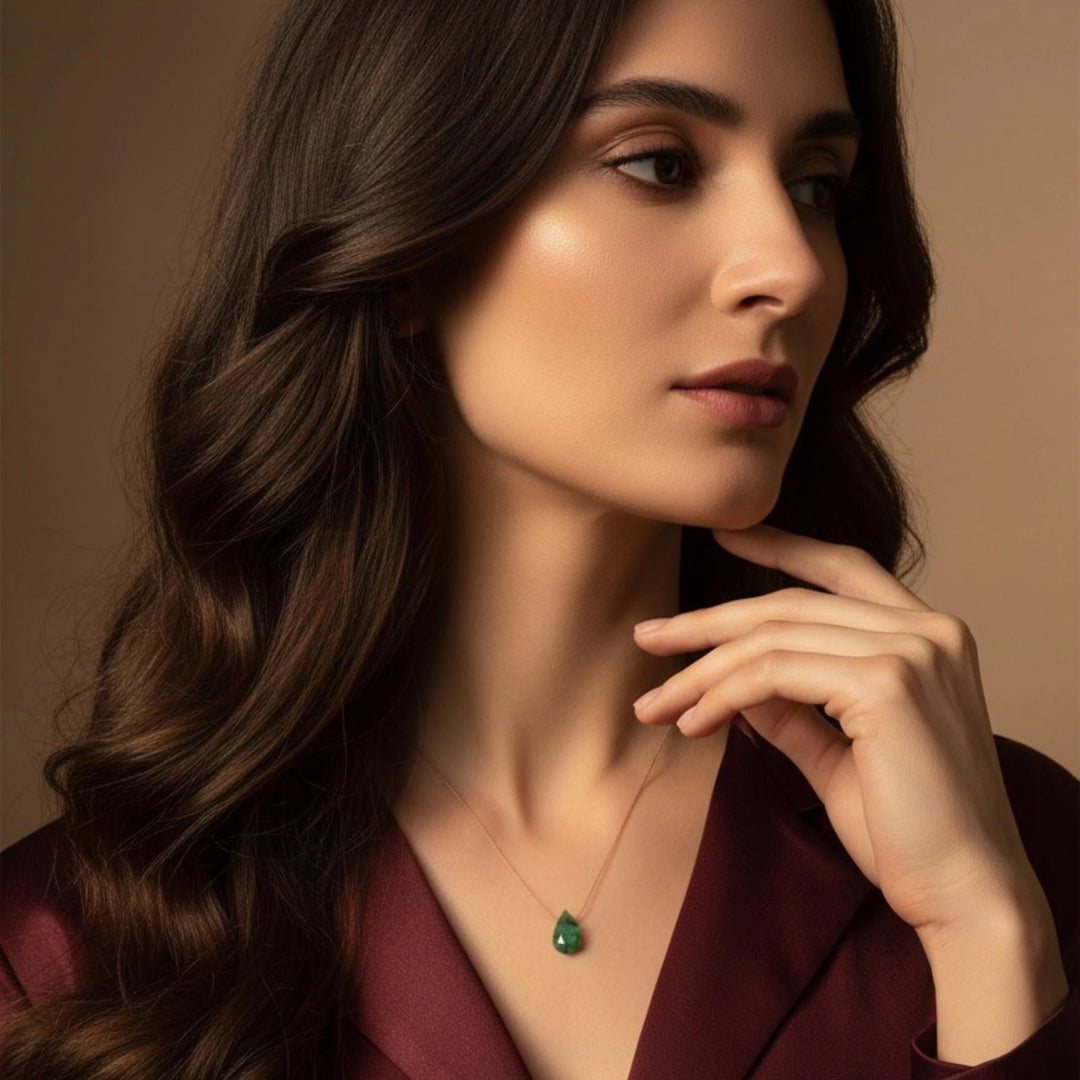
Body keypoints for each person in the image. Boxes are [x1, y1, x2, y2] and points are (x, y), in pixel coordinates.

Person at [1, 0, 1077, 1076]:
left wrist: (987, 934)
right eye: (659, 164)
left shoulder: (1011, 852)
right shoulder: (66, 953)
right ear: (410, 241)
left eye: (816, 188)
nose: (790, 267)